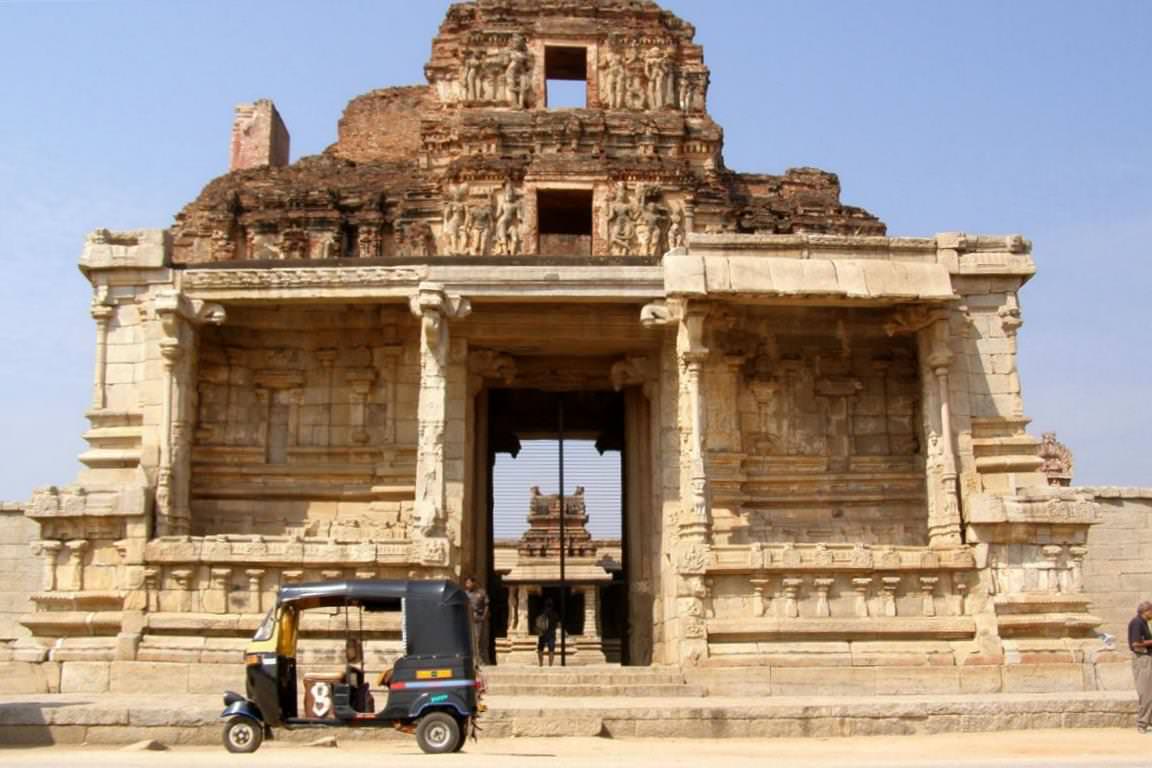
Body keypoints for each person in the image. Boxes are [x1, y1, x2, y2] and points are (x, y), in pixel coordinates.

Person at [1131, 602, 1152, 732]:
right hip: (1142, 659)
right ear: (1147, 611)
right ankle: (1142, 723)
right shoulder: (1137, 623)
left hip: (1147, 658)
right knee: (1146, 694)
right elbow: (1135, 643)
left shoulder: (1144, 623)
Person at [463, 575, 489, 665]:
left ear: (474, 583)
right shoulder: (464, 594)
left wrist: (484, 616)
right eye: (466, 583)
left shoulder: (481, 593)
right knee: (469, 639)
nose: (467, 585)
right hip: (467, 618)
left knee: (478, 638)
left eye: (469, 583)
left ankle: (479, 659)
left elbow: (486, 605)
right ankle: (472, 659)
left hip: (478, 618)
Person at [535, 598, 560, 667]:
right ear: (552, 605)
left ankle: (540, 664)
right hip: (551, 634)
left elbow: (537, 622)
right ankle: (550, 665)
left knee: (540, 649)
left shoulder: (541, 613)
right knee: (551, 650)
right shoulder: (555, 614)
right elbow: (558, 625)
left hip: (542, 634)